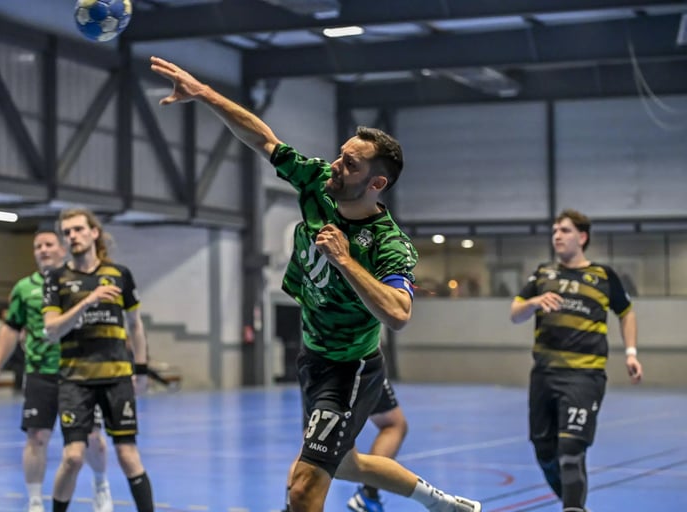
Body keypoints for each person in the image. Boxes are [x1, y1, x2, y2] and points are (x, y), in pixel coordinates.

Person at [150, 56, 481, 512]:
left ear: (376, 182)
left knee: (304, 487)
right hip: (312, 357)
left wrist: (344, 261)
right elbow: (263, 138)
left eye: (350, 164)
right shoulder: (317, 182)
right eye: (340, 155)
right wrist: (205, 94)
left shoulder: (388, 243)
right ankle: (441, 504)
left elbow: (399, 313)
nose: (336, 165)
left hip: (349, 368)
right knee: (345, 465)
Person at [510, 208, 643, 512]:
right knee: (544, 450)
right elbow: (515, 314)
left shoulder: (603, 276)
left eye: (565, 230)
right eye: (555, 231)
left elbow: (627, 313)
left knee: (571, 448)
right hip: (543, 375)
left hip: (584, 376)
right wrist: (534, 302)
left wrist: (631, 353)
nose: (557, 236)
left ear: (582, 237)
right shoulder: (542, 274)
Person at [0, 227, 113, 512]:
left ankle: (101, 485)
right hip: (41, 372)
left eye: (49, 244)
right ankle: (34, 501)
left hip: (79, 371)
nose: (42, 250)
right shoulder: (24, 288)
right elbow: (11, 328)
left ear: (63, 249)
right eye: (37, 246)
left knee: (93, 438)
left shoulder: (81, 282)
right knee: (37, 437)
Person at [42, 208, 153, 512]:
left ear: (94, 233)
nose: (73, 236)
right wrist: (87, 301)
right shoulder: (56, 278)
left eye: (78, 229)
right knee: (72, 457)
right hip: (75, 380)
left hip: (117, 377)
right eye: (67, 232)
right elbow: (51, 330)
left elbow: (135, 325)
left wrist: (141, 369)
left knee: (128, 455)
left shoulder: (120, 274)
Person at [280, 378, 409, 512]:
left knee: (312, 446)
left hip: (314, 372)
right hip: (351, 371)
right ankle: (369, 494)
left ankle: (291, 508)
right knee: (394, 424)